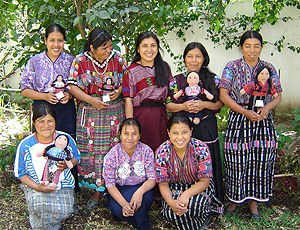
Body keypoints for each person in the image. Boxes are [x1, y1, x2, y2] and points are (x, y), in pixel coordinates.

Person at [219, 30, 282, 220]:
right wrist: (244, 111)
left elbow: (278, 95)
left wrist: (268, 108)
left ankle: (255, 203)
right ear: (241, 47)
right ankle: (235, 200)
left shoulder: (268, 67)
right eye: (248, 46)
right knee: (236, 159)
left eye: (256, 46)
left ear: (261, 47)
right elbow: (223, 94)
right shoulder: (232, 66)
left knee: (261, 159)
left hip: (263, 120)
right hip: (239, 118)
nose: (252, 50)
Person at [68, 27, 127, 210]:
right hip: (90, 114)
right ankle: (96, 190)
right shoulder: (80, 61)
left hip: (113, 113)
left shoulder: (118, 59)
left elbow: (128, 80)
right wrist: (90, 100)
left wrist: (120, 90)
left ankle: (113, 190)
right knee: (94, 153)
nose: (108, 50)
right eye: (104, 47)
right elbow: (71, 85)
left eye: (109, 46)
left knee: (113, 150)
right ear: (92, 48)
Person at [19, 23, 80, 194]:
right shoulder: (35, 62)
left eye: (60, 41)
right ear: (45, 41)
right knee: (43, 145)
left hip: (65, 109)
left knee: (67, 145)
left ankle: (70, 189)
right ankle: (40, 185)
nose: (56, 45)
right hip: (43, 108)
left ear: (64, 42)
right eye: (52, 40)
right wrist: (45, 96)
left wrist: (71, 95)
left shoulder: (71, 61)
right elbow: (24, 89)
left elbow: (79, 86)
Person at [166, 42, 224, 202]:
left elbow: (220, 103)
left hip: (206, 125)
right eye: (190, 56)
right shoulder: (176, 80)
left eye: (198, 56)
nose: (194, 60)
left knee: (207, 161)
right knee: (185, 162)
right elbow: (168, 103)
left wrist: (204, 104)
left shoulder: (212, 79)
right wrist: (184, 106)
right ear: (184, 58)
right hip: (182, 129)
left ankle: (212, 201)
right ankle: (185, 200)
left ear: (204, 58)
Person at [14, 103, 80, 230]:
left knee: (66, 210)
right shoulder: (26, 144)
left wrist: (67, 164)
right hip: (37, 183)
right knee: (40, 207)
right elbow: (20, 173)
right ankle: (41, 222)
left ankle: (49, 221)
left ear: (55, 121)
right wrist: (37, 187)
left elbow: (76, 157)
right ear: (33, 122)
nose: (46, 126)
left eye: (50, 121)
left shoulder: (65, 139)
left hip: (61, 184)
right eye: (41, 121)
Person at [155, 113, 223, 230]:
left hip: (198, 186)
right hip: (174, 187)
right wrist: (171, 202)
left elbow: (204, 181)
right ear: (168, 133)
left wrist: (186, 195)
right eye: (175, 133)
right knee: (171, 210)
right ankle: (185, 222)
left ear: (191, 131)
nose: (180, 137)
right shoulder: (162, 151)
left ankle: (201, 220)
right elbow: (163, 183)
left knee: (195, 206)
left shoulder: (200, 148)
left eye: (184, 132)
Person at [122, 31, 172, 152]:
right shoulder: (130, 71)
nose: (149, 50)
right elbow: (128, 100)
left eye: (153, 45)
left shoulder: (164, 68)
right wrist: (131, 125)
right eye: (144, 46)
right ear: (138, 49)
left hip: (161, 117)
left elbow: (171, 94)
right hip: (141, 117)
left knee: (162, 152)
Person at [103, 118, 156, 230]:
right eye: (126, 134)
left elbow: (152, 178)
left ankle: (139, 223)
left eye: (134, 134)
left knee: (142, 201)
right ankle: (139, 222)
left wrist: (139, 193)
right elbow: (110, 184)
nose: (130, 138)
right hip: (120, 189)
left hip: (142, 187)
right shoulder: (112, 154)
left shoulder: (146, 151)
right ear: (120, 135)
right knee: (119, 208)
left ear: (140, 135)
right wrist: (123, 204)